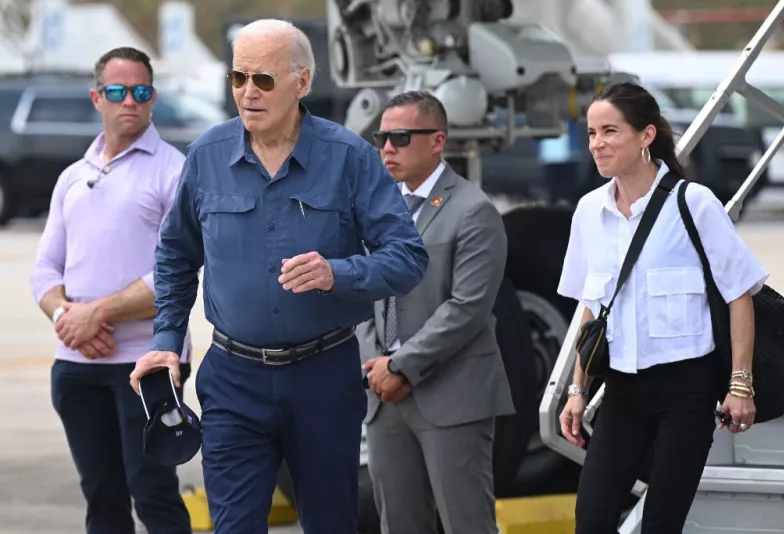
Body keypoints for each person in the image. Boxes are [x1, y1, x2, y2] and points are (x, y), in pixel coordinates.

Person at [127, 19, 429, 534]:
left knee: (331, 522)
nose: (248, 92)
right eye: (239, 78)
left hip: (323, 377)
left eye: (263, 79)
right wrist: (167, 340)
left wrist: (338, 272)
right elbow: (176, 256)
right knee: (234, 525)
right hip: (232, 378)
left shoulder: (349, 157)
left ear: (302, 82)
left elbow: (407, 256)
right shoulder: (207, 155)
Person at [557, 82, 768, 533]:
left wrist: (740, 385)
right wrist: (577, 390)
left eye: (610, 130)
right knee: (591, 520)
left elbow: (739, 294)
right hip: (620, 391)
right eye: (592, 133)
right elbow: (590, 311)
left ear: (646, 135)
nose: (597, 143)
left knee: (661, 524)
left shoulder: (693, 203)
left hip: (686, 390)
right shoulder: (588, 212)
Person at [29, 47, 193, 534]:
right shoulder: (73, 177)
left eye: (141, 92)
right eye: (118, 92)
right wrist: (66, 318)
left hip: (147, 364)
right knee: (101, 499)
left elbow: (176, 272)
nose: (130, 102)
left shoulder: (174, 171)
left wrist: (95, 314)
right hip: (77, 365)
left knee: (154, 494)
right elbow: (44, 269)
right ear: (96, 96)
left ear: (153, 98)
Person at [359, 90, 515, 534]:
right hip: (384, 396)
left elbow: (467, 308)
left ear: (438, 141)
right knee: (400, 524)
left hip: (451, 396)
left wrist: (402, 366)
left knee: (466, 523)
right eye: (382, 137)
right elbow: (361, 292)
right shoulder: (377, 209)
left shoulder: (473, 211)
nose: (388, 148)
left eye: (401, 137)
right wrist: (375, 365)